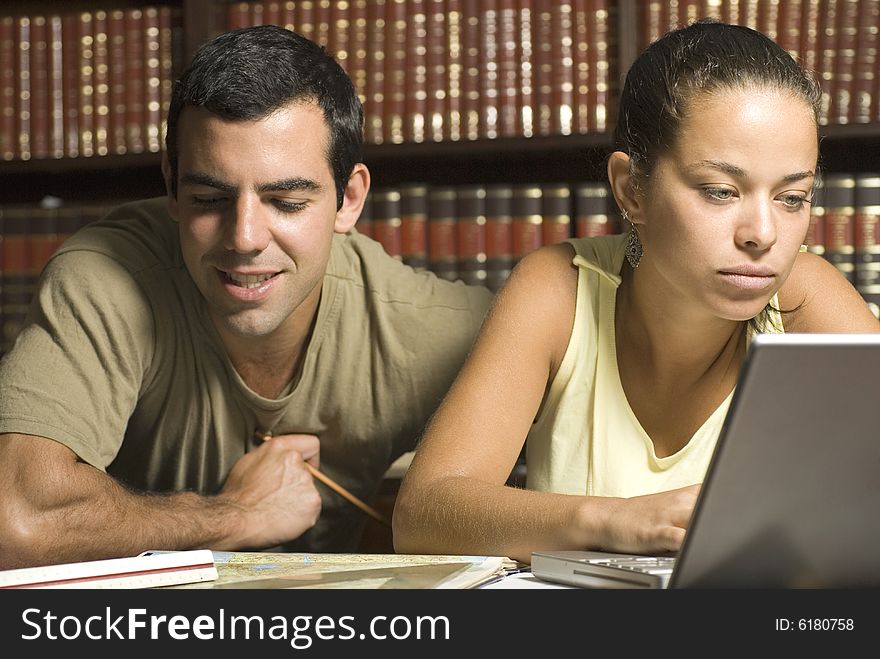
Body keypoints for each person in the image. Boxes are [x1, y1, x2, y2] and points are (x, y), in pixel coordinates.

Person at [0, 25, 491, 569]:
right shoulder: (106, 277)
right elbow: (15, 524)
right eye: (210, 198)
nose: (244, 238)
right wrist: (234, 514)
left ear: (349, 199)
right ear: (172, 188)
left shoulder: (436, 325)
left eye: (286, 202)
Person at [392, 19, 880, 564]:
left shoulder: (803, 298)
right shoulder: (559, 287)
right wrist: (619, 520)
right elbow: (425, 512)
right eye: (721, 191)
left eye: (792, 198)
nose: (763, 234)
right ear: (632, 189)